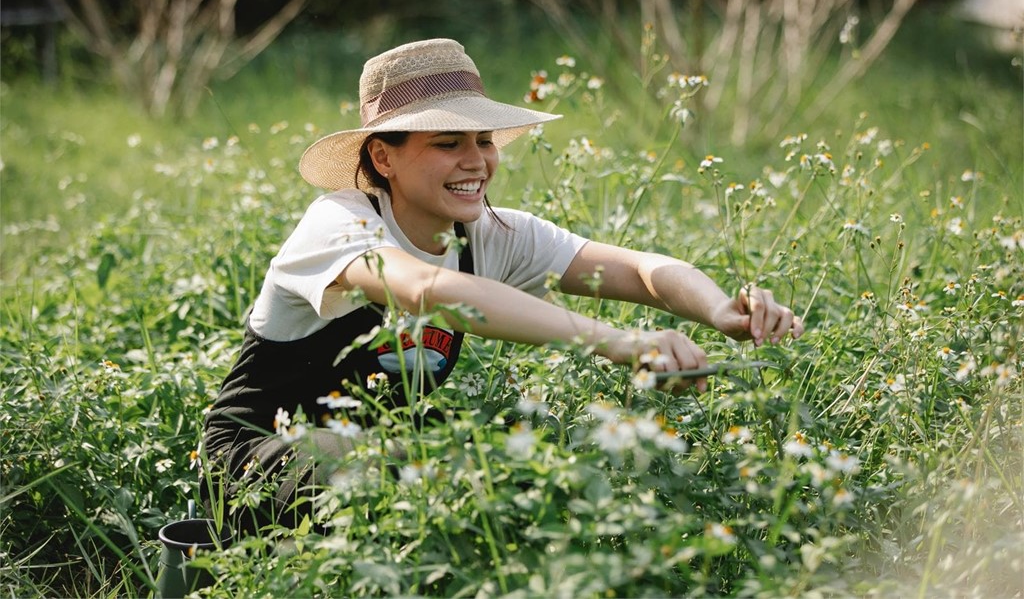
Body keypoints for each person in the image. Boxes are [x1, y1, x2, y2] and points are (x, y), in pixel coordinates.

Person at [201, 38, 803, 533]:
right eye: (447, 143)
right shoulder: (341, 221)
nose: (476, 162)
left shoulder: (488, 234)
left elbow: (642, 269)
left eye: (483, 141)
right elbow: (427, 291)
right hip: (255, 457)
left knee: (518, 476)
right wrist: (617, 343)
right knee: (380, 473)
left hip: (383, 447)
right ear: (384, 159)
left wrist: (722, 308)